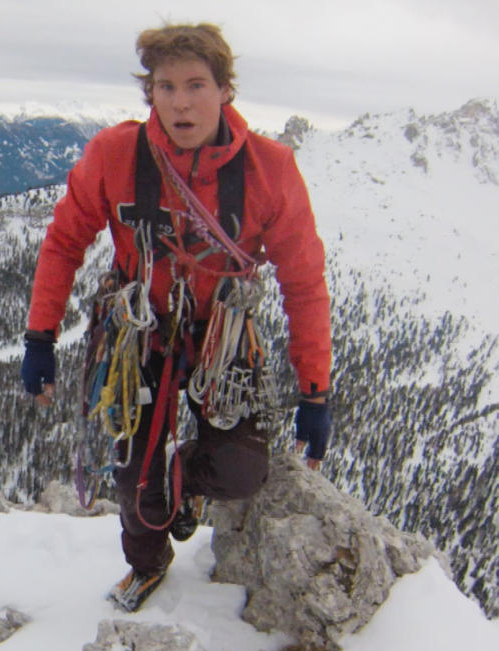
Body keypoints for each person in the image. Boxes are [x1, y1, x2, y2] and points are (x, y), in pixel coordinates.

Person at [20, 22, 332, 612]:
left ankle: (183, 475)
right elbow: (64, 241)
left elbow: (304, 285)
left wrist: (316, 391)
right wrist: (40, 334)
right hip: (139, 334)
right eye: (165, 86)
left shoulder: (271, 171)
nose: (180, 102)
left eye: (196, 85)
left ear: (224, 91)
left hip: (223, 341)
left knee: (242, 472)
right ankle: (148, 562)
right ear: (150, 94)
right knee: (135, 480)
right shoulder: (116, 154)